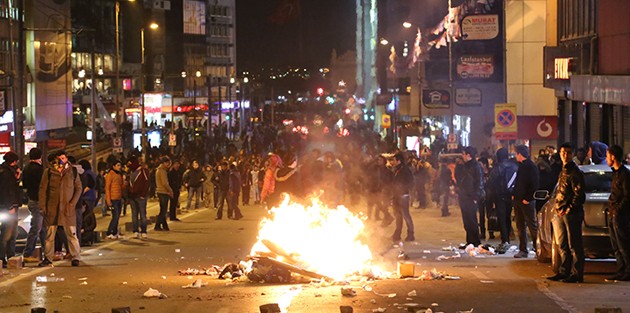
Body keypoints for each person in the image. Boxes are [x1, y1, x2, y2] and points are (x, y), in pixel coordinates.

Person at [546, 143, 586, 283]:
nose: (565, 155)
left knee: (574, 244)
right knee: (562, 244)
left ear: (572, 154)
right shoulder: (563, 171)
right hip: (560, 212)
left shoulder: (575, 173)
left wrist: (567, 209)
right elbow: (560, 192)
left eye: (568, 152)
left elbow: (579, 195)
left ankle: (576, 273)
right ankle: (564, 271)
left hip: (571, 214)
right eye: (563, 152)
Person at [38, 151, 83, 267]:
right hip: (52, 208)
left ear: (66, 158)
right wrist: (43, 206)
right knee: (49, 236)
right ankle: (48, 258)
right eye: (59, 158)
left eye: (63, 158)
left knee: (72, 235)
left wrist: (72, 203)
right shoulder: (48, 172)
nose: (61, 161)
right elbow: (43, 190)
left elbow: (78, 188)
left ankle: (75, 257)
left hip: (68, 209)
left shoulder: (72, 171)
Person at [605, 145, 630, 282]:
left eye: (607, 155)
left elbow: (627, 196)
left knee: (623, 244)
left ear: (613, 156)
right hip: (613, 214)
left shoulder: (624, 174)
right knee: (616, 245)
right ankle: (621, 270)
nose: (606, 158)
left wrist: (618, 210)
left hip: (620, 215)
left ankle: (627, 271)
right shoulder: (615, 173)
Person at [487, 148, 518, 253]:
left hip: (499, 195)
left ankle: (505, 240)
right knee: (507, 217)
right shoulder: (514, 166)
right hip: (511, 195)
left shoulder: (498, 167)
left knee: (501, 218)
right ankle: (508, 238)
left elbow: (491, 181)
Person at [512, 145, 540, 258]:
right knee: (520, 225)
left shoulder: (530, 166)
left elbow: (534, 184)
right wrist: (514, 195)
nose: (515, 156)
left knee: (531, 225)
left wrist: (527, 198)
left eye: (516, 154)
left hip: (526, 201)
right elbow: (519, 183)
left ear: (520, 154)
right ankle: (523, 249)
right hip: (518, 200)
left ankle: (538, 248)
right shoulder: (521, 166)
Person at [22, 148, 47, 263]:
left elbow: (25, 184)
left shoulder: (26, 169)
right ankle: (27, 253)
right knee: (37, 228)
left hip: (31, 199)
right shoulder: (39, 170)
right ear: (40, 157)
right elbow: (44, 185)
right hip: (39, 200)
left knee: (42, 228)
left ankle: (47, 252)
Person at [456, 147, 484, 247]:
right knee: (466, 221)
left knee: (472, 220)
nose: (462, 156)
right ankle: (470, 242)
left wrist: (475, 197)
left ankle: (476, 242)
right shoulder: (463, 166)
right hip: (463, 197)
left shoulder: (476, 166)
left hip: (471, 197)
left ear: (468, 155)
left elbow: (479, 183)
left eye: (464, 154)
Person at [0, 151, 21, 268]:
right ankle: (4, 257)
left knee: (11, 233)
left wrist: (17, 178)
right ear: (13, 162)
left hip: (7, 206)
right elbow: (8, 192)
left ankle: (9, 256)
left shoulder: (5, 171)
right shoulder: (6, 174)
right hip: (9, 207)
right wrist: (11, 206)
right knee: (7, 234)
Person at [390, 152, 415, 242]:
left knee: (406, 215)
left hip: (403, 196)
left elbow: (410, 182)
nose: (392, 162)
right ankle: (397, 234)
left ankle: (411, 234)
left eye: (394, 160)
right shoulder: (396, 170)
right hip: (396, 195)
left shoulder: (405, 170)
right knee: (398, 216)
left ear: (398, 161)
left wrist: (402, 189)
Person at [129, 157, 150, 239]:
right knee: (134, 215)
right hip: (132, 197)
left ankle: (143, 231)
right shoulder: (131, 172)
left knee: (142, 214)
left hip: (140, 196)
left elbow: (147, 183)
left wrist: (143, 194)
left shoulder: (143, 171)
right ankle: (135, 231)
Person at [105, 160, 124, 239]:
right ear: (113, 166)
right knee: (115, 216)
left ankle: (115, 232)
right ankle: (109, 232)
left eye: (120, 165)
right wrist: (108, 200)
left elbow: (120, 186)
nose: (119, 167)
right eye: (118, 165)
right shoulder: (110, 175)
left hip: (118, 198)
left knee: (117, 215)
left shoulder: (119, 174)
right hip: (113, 198)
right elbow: (107, 188)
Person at [155, 157, 173, 231]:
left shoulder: (159, 170)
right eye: (167, 163)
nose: (168, 164)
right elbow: (165, 183)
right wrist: (170, 190)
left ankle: (164, 225)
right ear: (164, 163)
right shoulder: (162, 171)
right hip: (163, 191)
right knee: (163, 210)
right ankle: (157, 225)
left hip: (160, 191)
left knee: (163, 209)